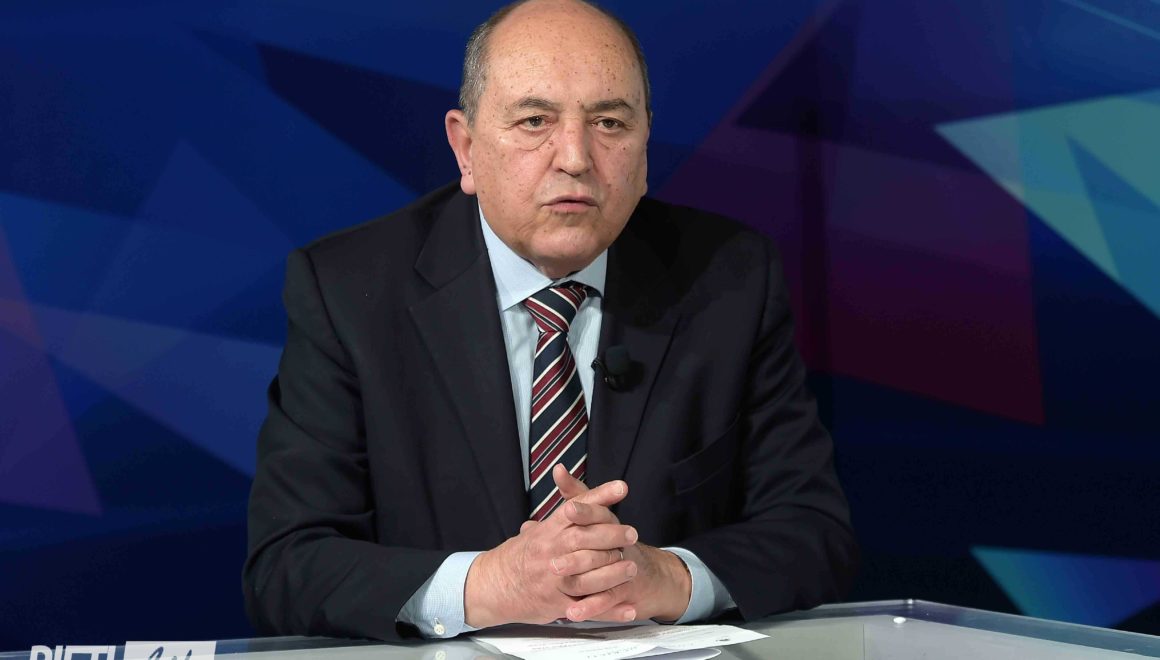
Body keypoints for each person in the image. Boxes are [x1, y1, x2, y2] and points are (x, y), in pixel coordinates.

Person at [243, 0, 857, 641]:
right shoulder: (348, 293)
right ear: (466, 148)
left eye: (610, 123)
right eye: (534, 121)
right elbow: (286, 566)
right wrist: (490, 586)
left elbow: (814, 533)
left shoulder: (731, 280)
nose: (575, 158)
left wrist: (669, 577)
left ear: (645, 146)